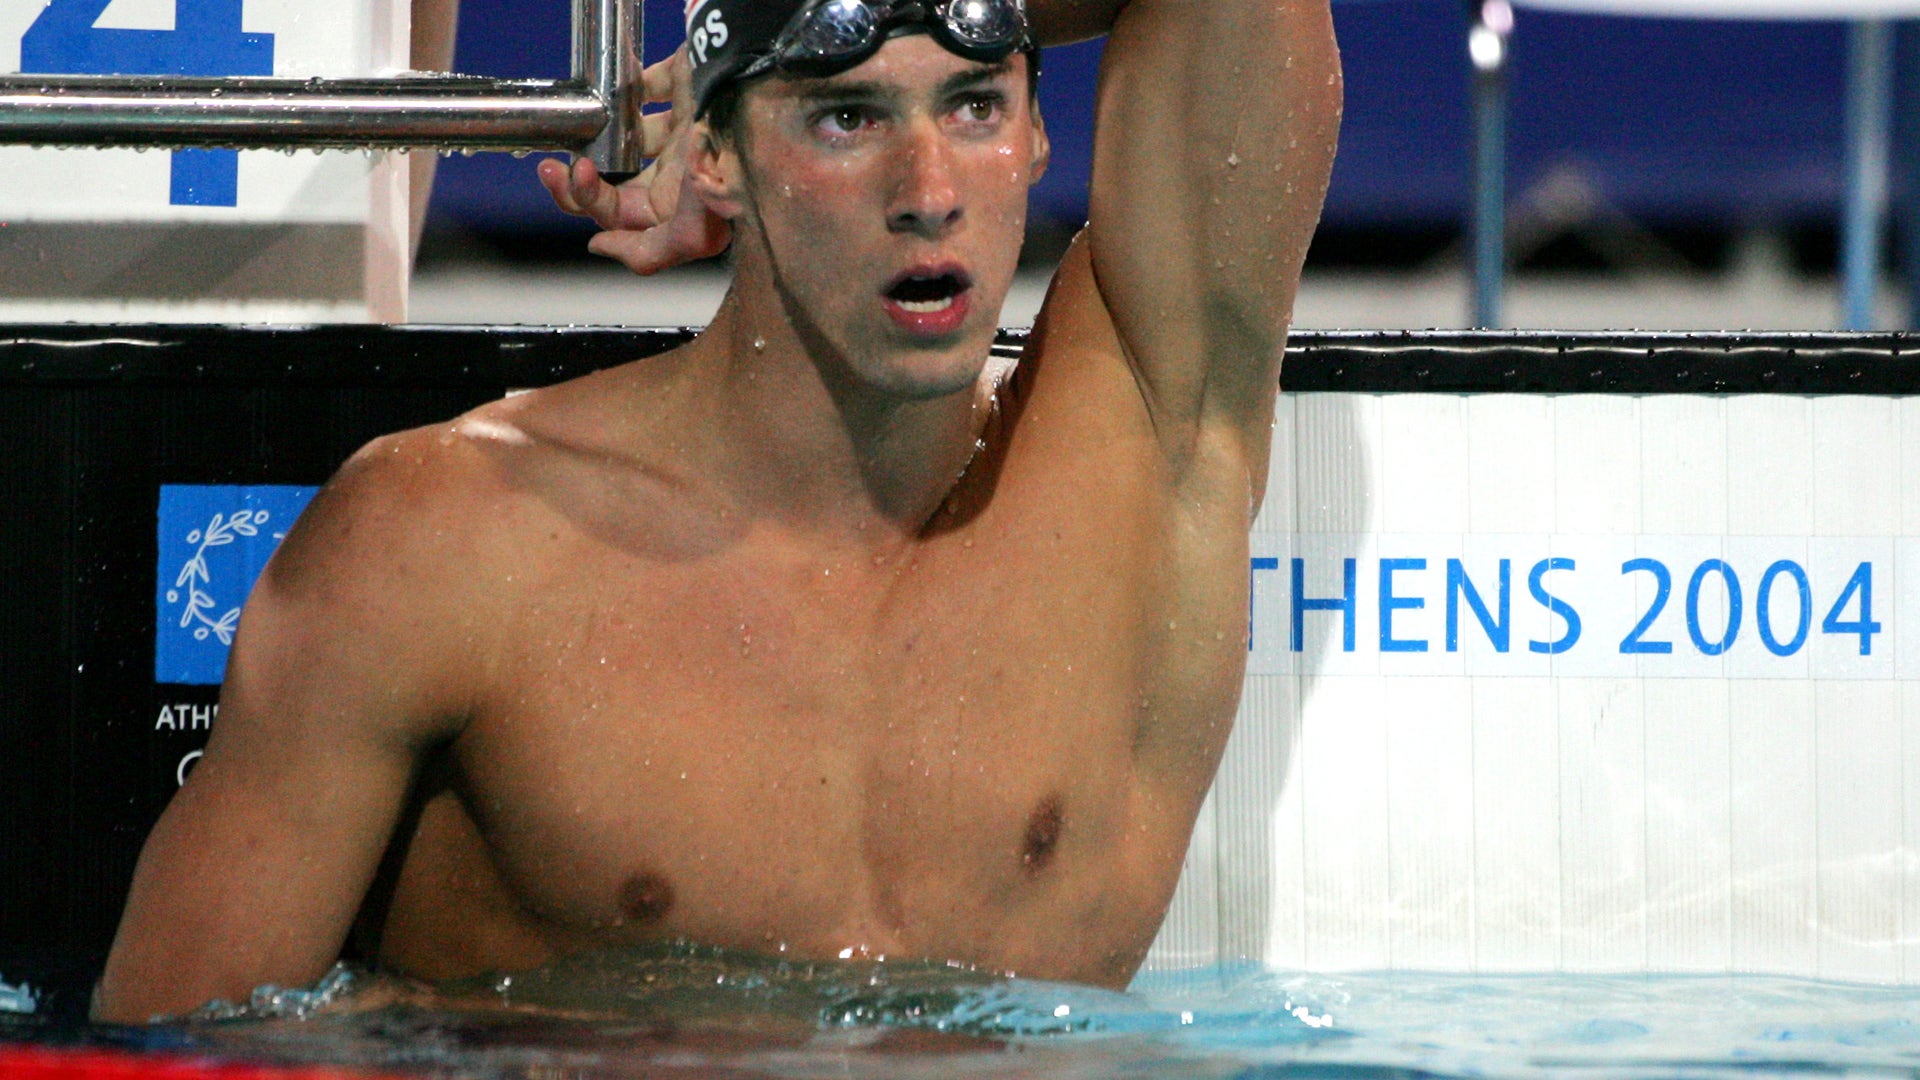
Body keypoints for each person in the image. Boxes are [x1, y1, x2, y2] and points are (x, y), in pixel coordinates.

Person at [92, 0, 1341, 1023]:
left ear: (1035, 136)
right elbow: (170, 1046)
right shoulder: (450, 539)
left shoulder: (1143, 454)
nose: (929, 188)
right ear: (715, 156)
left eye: (974, 107)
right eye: (846, 118)